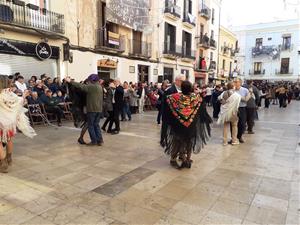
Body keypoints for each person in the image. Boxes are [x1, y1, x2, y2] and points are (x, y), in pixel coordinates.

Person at [160, 80, 212, 169]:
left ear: (181, 88)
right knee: (189, 142)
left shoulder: (173, 98)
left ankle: (174, 159)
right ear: (191, 88)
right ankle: (187, 159)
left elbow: (166, 109)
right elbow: (202, 111)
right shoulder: (196, 98)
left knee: (177, 142)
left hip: (177, 125)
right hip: (191, 125)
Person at [0, 76, 36, 173]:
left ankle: (3, 164)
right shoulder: (10, 94)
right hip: (10, 123)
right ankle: (9, 158)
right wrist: (23, 95)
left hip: (1, 122)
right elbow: (20, 102)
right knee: (9, 140)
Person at [66, 74, 104, 146]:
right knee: (96, 125)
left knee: (91, 125)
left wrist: (70, 81)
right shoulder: (100, 87)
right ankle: (100, 140)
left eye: (89, 80)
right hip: (99, 109)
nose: (89, 81)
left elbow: (81, 86)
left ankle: (94, 141)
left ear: (92, 80)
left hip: (92, 109)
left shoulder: (92, 87)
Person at [161, 75, 186, 146]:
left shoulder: (183, 89)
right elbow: (165, 104)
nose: (183, 83)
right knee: (166, 129)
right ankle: (164, 141)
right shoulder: (169, 90)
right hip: (169, 114)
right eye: (182, 81)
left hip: (178, 115)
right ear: (177, 81)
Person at [234, 78, 250, 143]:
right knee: (233, 124)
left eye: (236, 82)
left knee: (242, 124)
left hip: (242, 108)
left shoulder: (245, 90)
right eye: (234, 82)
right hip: (234, 108)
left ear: (240, 83)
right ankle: (233, 137)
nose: (235, 83)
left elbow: (246, 99)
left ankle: (239, 136)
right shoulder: (232, 90)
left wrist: (238, 96)